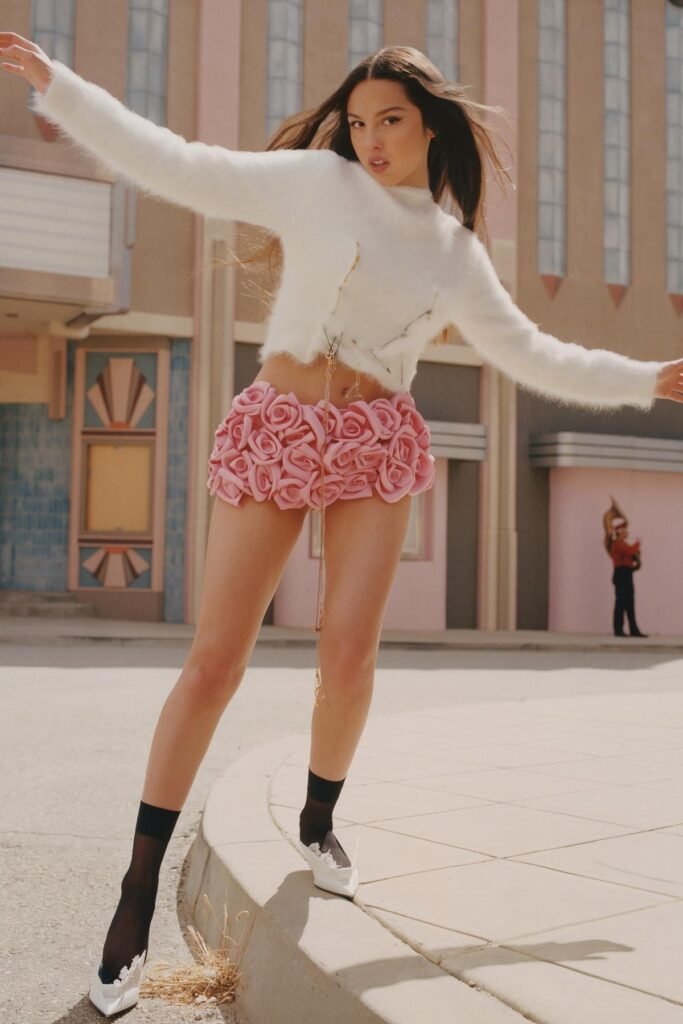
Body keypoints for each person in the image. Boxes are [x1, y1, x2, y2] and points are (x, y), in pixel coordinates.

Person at [3, 32, 683, 1017]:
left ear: (428, 125)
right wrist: (59, 86)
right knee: (214, 662)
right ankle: (135, 889)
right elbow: (178, 165)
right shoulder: (313, 184)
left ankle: (317, 822)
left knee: (349, 656)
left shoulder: (452, 253)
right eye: (358, 121)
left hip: (375, 438)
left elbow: (528, 351)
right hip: (281, 420)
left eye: (389, 121)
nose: (369, 138)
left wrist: (639, 380)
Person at [602, 500, 647, 637]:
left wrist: (635, 559)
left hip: (626, 573)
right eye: (624, 531)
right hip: (621, 574)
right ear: (620, 533)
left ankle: (634, 629)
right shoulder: (617, 544)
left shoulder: (621, 544)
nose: (627, 533)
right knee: (621, 602)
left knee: (629, 602)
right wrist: (638, 544)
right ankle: (618, 629)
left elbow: (630, 555)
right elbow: (631, 551)